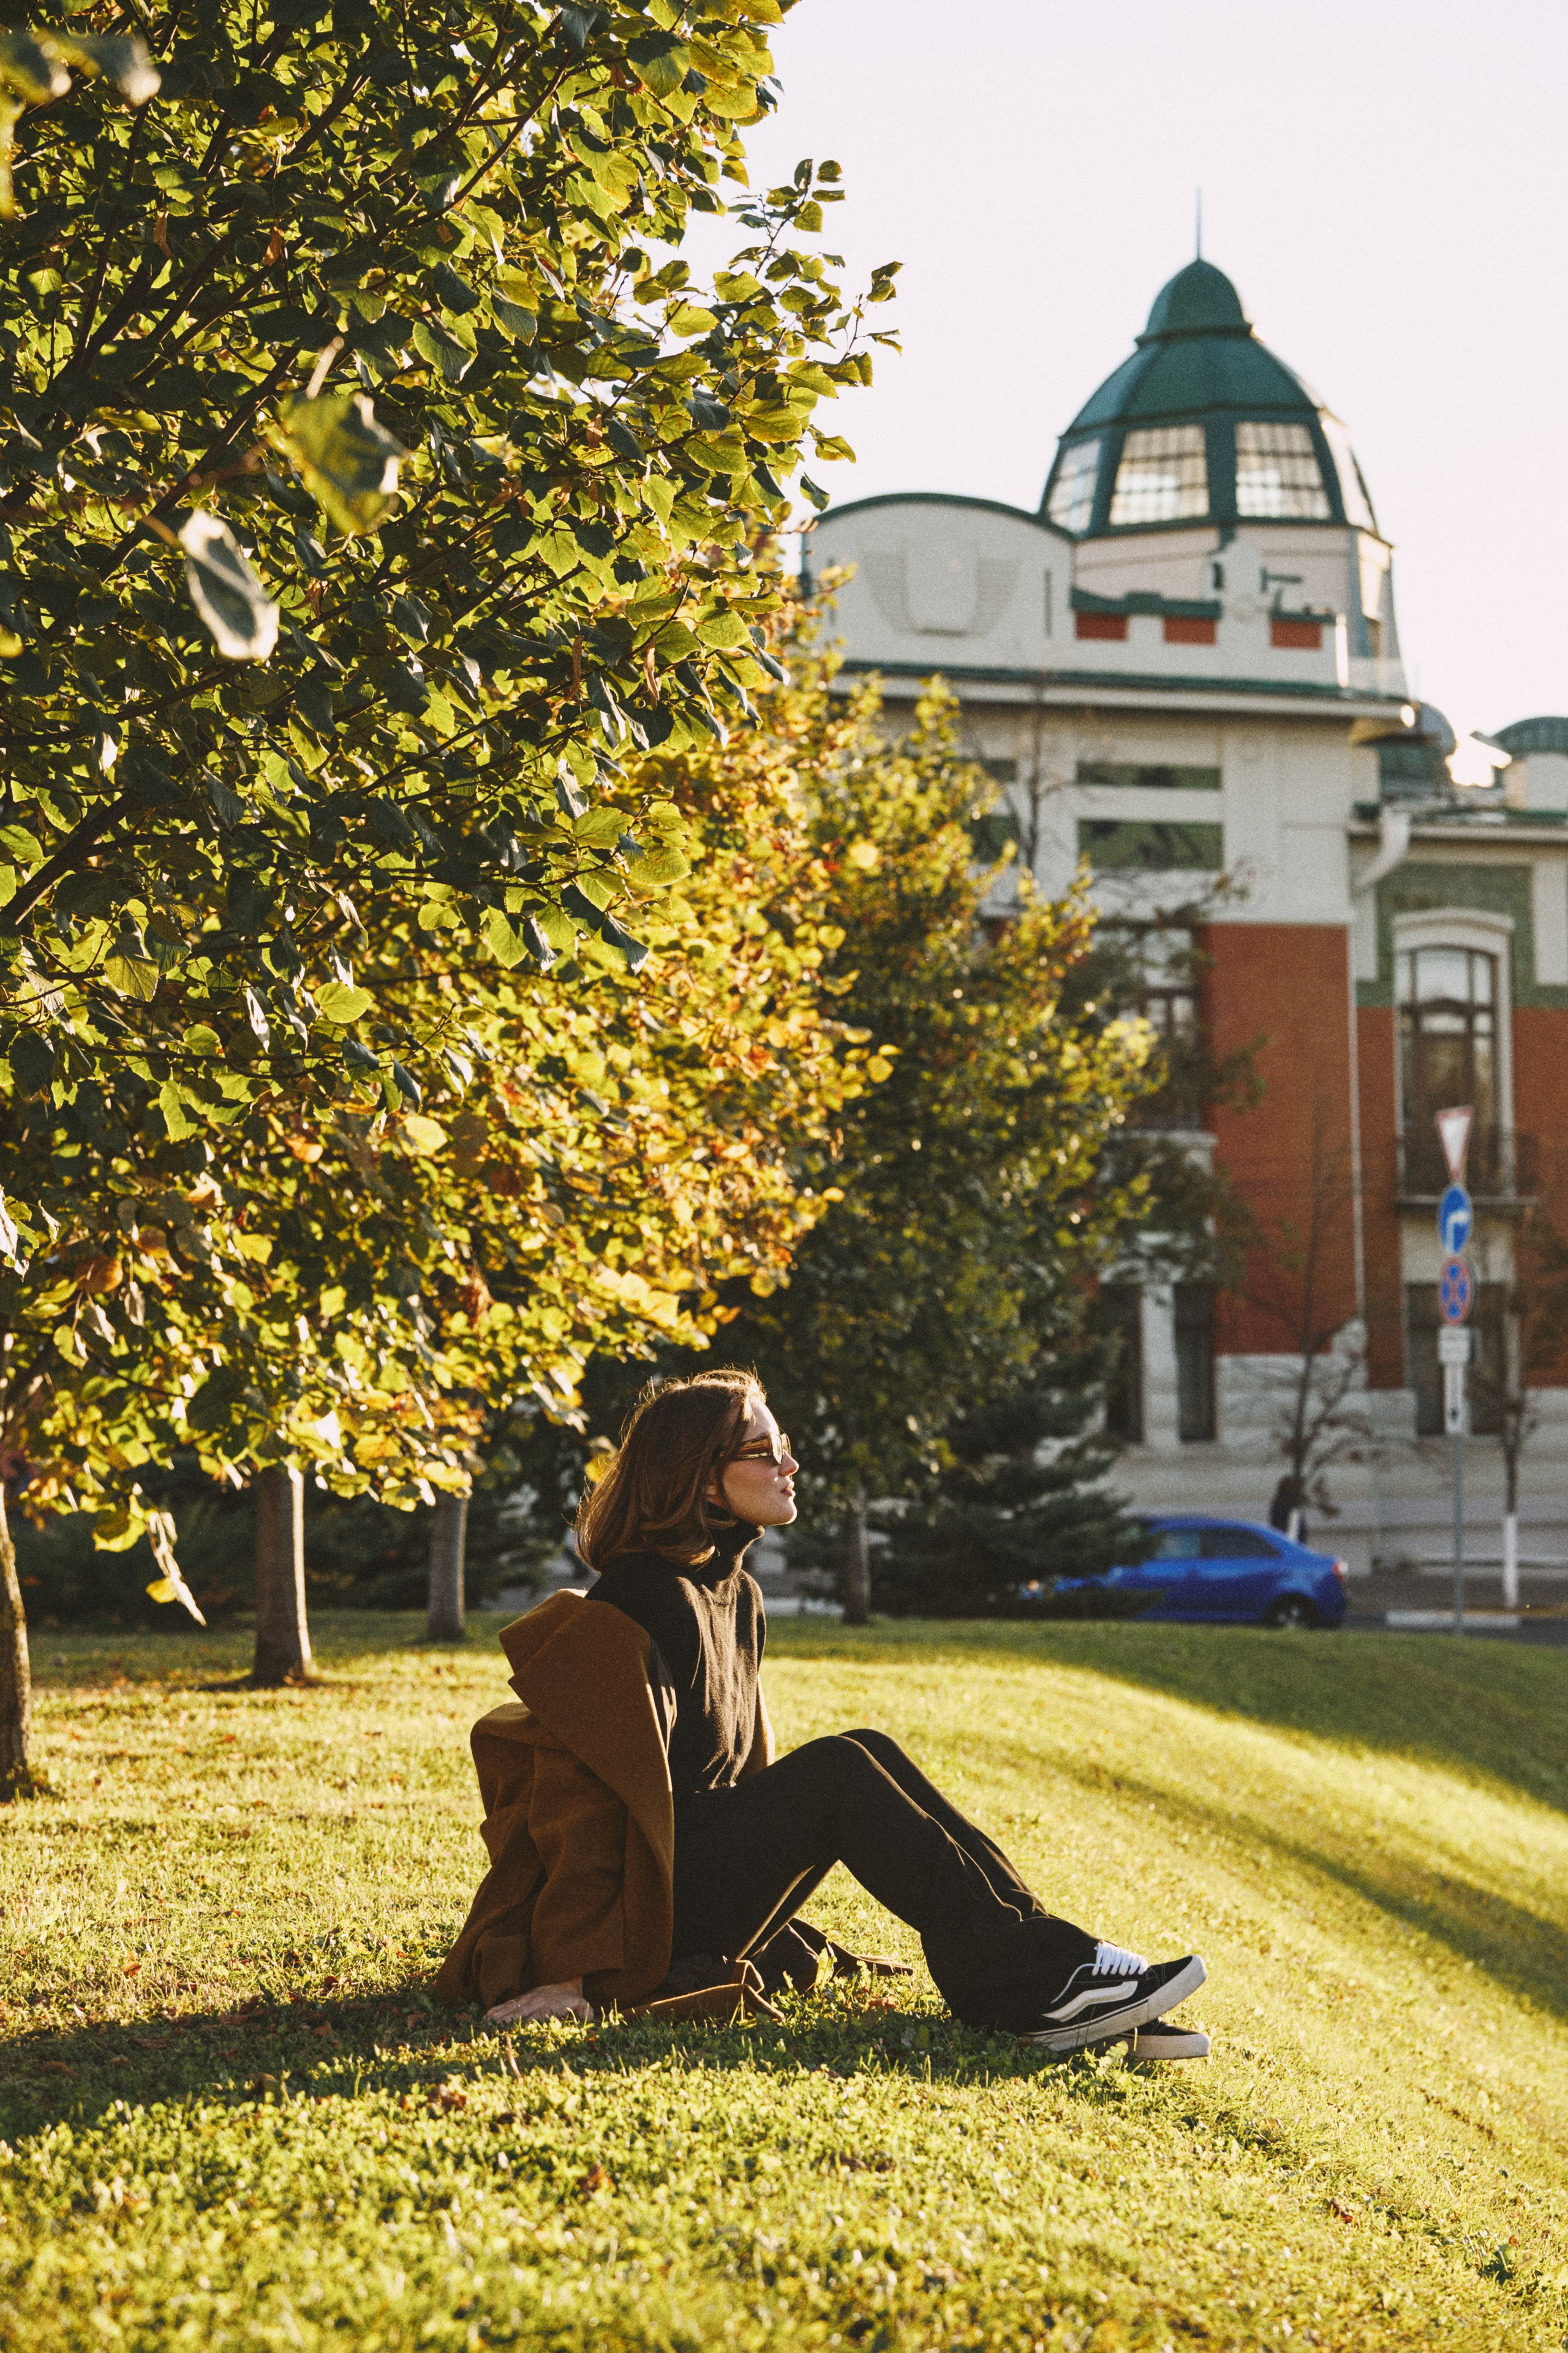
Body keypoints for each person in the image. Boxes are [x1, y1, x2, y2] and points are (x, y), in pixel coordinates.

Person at [435, 1370, 1208, 2057]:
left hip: (693, 1881)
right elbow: (579, 1798)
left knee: (865, 1745)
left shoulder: (737, 1595)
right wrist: (570, 1974)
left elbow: (740, 1783)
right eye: (764, 1451)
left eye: (786, 1446)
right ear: (703, 1481)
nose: (789, 1465)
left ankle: (1059, 1968)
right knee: (838, 1768)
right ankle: (1037, 1984)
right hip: (644, 1913)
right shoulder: (637, 1597)